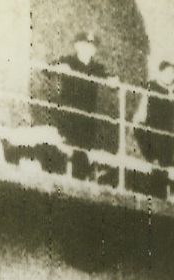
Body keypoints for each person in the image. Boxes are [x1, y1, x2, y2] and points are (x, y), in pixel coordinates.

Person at [48, 32, 115, 179]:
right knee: (67, 146)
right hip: (69, 114)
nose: (88, 50)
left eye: (92, 47)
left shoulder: (96, 68)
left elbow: (111, 80)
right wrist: (59, 68)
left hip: (87, 117)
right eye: (85, 45)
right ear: (77, 46)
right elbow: (47, 69)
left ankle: (80, 177)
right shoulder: (69, 61)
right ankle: (60, 175)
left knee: (83, 148)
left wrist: (113, 80)